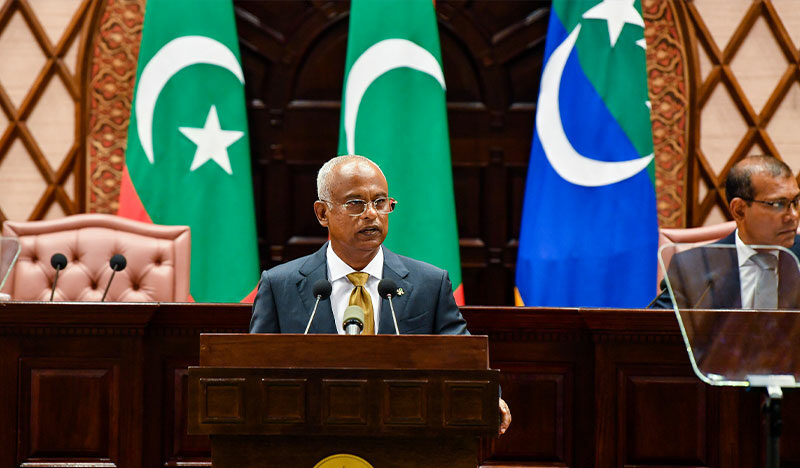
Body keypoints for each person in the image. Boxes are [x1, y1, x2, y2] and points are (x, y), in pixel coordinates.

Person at [249, 154, 511, 434]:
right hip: (307, 436)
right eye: (356, 203)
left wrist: (488, 397)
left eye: (380, 202)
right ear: (322, 213)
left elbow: (464, 359)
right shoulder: (280, 285)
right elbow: (253, 370)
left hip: (403, 436)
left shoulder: (429, 284)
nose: (371, 214)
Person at [654, 155, 800, 309]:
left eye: (796, 201)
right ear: (739, 210)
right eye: (778, 204)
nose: (793, 215)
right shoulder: (694, 267)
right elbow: (654, 322)